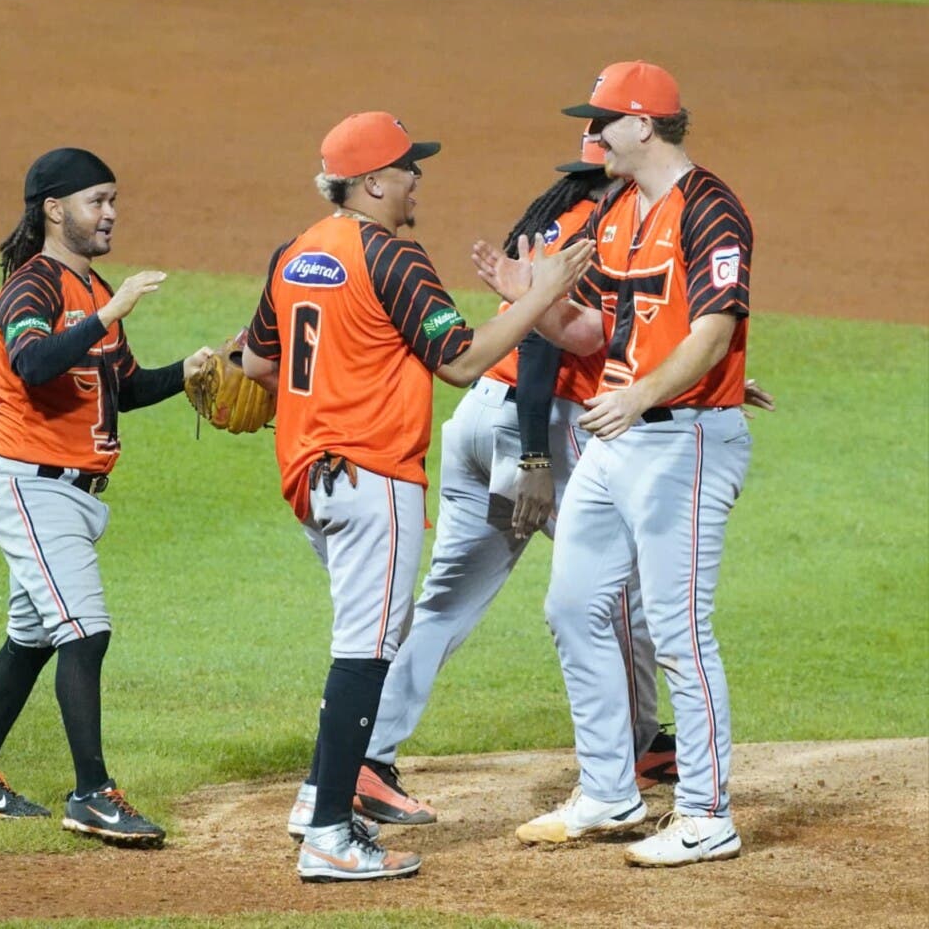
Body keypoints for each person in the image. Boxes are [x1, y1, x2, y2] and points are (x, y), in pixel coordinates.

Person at [239, 111, 597, 882]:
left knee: (363, 639)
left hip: (309, 479)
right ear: (372, 182)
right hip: (372, 477)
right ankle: (332, 833)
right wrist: (539, 298)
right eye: (407, 169)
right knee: (365, 651)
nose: (416, 180)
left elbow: (260, 367)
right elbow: (462, 361)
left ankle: (316, 798)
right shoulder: (392, 258)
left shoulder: (295, 252)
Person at [350, 133, 676, 832]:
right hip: (535, 429)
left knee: (445, 604)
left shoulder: (568, 220)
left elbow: (622, 335)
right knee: (620, 592)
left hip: (477, 423)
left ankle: (366, 755)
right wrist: (534, 462)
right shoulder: (597, 229)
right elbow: (536, 341)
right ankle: (638, 745)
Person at [477, 61, 758, 866]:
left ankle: (707, 813)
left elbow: (712, 334)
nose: (590, 134)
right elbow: (600, 334)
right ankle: (609, 790)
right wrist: (531, 297)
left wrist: (638, 398)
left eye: (602, 120)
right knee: (573, 605)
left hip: (684, 439)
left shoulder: (711, 210)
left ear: (644, 125)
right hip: (619, 436)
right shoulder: (620, 211)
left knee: (679, 631)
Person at [0, 147, 212, 846]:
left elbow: (125, 385)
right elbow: (33, 364)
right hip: (33, 489)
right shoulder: (31, 289)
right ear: (55, 210)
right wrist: (106, 313)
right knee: (84, 630)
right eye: (97, 200)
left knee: (31, 639)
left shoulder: (94, 291)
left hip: (75, 496)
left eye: (114, 198)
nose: (111, 212)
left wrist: (192, 369)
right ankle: (92, 794)